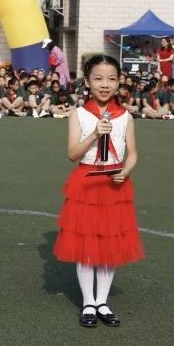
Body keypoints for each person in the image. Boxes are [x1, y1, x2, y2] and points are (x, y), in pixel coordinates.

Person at [53, 54, 144, 328]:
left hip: (115, 185)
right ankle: (88, 302)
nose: (105, 84)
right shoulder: (78, 115)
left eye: (111, 79)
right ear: (87, 82)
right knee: (86, 245)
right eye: (98, 79)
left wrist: (125, 171)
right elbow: (72, 153)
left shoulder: (126, 116)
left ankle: (103, 301)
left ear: (119, 83)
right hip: (87, 183)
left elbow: (133, 153)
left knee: (109, 245)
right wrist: (94, 133)